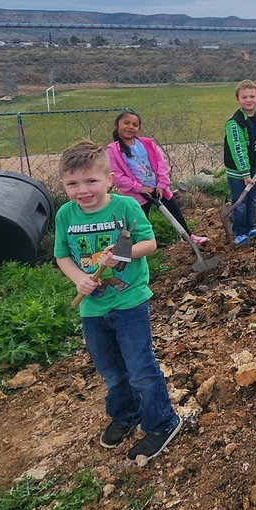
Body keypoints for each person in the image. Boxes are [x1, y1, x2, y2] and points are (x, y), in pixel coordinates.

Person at [54, 139, 182, 462]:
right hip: (92, 306)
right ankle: (126, 413)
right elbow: (62, 256)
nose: (83, 190)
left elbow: (149, 242)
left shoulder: (126, 207)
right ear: (63, 184)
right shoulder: (66, 215)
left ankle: (162, 421)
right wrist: (77, 277)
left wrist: (121, 253)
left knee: (140, 365)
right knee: (110, 368)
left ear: (108, 179)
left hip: (129, 301)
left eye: (91, 181)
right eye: (73, 183)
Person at [106, 111, 208, 245]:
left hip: (159, 188)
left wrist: (162, 184)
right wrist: (139, 188)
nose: (130, 127)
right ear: (117, 125)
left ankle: (188, 237)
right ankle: (141, 244)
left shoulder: (147, 144)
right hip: (137, 193)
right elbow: (116, 175)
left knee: (175, 212)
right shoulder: (112, 150)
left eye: (135, 125)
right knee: (140, 220)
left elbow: (161, 163)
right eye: (126, 123)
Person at [223, 80, 256, 245]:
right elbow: (238, 148)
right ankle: (239, 231)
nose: (248, 100)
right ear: (237, 100)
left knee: (252, 197)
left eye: (252, 96)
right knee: (240, 200)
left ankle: (251, 226)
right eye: (244, 97)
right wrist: (245, 173)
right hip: (238, 169)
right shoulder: (235, 122)